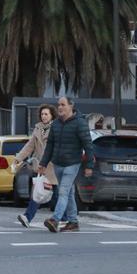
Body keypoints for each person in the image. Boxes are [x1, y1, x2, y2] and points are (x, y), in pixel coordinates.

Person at [39, 96, 95, 233]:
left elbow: (88, 145)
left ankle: (55, 219)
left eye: (63, 105)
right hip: (58, 164)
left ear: (71, 106)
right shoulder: (56, 124)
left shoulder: (80, 123)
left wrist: (89, 165)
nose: (60, 107)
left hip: (72, 163)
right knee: (69, 193)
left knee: (63, 191)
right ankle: (73, 222)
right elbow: (50, 145)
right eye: (59, 105)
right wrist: (43, 163)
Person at [15, 104, 58, 228]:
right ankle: (27, 217)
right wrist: (18, 158)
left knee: (57, 194)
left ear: (52, 116)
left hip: (53, 166)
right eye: (42, 114)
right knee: (39, 191)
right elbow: (30, 146)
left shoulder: (56, 128)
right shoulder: (38, 129)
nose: (44, 116)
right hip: (41, 166)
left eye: (46, 114)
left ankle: (66, 218)